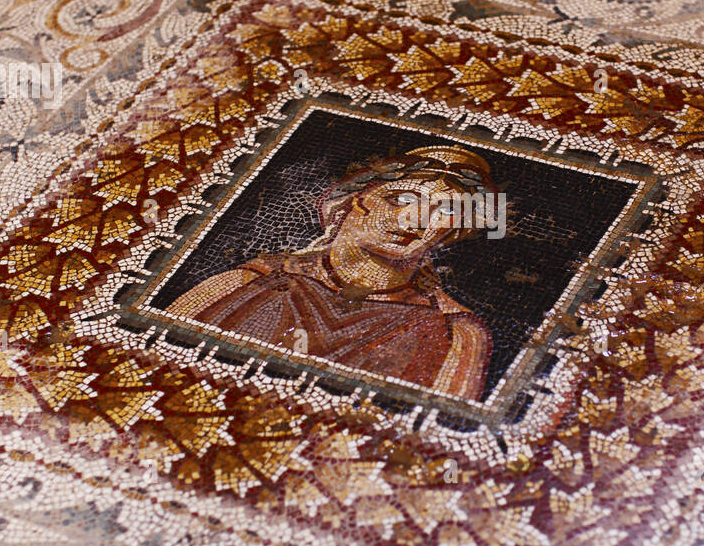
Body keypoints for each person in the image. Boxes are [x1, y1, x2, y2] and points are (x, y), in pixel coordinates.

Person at [164, 146, 500, 399]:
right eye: (399, 198)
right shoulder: (244, 283)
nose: (416, 219)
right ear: (356, 199)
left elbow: (435, 438)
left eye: (447, 210)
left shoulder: (457, 334)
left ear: (456, 231)